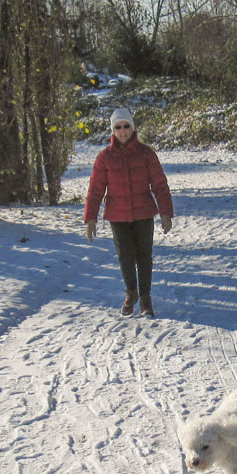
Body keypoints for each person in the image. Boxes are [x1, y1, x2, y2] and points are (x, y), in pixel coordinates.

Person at [84, 107, 173, 317]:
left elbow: (160, 185)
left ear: (132, 128)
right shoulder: (104, 158)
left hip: (143, 214)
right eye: (118, 127)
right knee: (125, 257)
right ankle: (131, 292)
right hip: (118, 216)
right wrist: (90, 218)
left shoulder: (146, 154)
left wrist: (166, 212)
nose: (123, 131)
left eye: (126, 126)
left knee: (144, 257)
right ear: (113, 130)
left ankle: (145, 298)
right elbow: (95, 190)